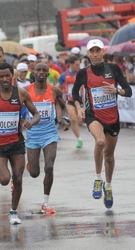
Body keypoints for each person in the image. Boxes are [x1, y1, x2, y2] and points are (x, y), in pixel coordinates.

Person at [0, 62, 40, 224]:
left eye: (7, 75)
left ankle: (13, 211)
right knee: (4, 179)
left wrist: (31, 122)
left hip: (16, 142)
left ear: (13, 76)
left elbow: (36, 114)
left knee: (18, 178)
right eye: (1, 76)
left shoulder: (22, 94)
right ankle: (4, 186)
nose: (4, 79)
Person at [72, 39, 133, 209]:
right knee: (100, 142)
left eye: (98, 50)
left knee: (109, 156)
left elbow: (128, 91)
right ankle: (98, 179)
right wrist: (78, 107)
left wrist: (117, 91)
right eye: (92, 51)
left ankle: (108, 186)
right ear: (88, 53)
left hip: (112, 118)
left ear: (103, 52)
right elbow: (75, 93)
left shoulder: (113, 69)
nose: (95, 54)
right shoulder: (83, 73)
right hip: (94, 116)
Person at [25, 62, 69, 214]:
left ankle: (45, 201)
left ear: (48, 73)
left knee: (49, 167)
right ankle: (30, 164)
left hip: (50, 133)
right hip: (32, 135)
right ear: (34, 73)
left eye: (45, 70)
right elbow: (18, 110)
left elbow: (63, 106)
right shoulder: (25, 91)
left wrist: (64, 119)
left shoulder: (54, 90)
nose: (42, 72)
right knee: (34, 173)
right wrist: (21, 123)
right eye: (39, 70)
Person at [58, 56, 83, 148]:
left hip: (80, 100)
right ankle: (79, 139)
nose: (78, 66)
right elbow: (57, 86)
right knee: (73, 119)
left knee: (80, 120)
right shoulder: (65, 75)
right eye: (76, 65)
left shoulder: (81, 74)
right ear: (71, 64)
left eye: (79, 65)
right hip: (69, 100)